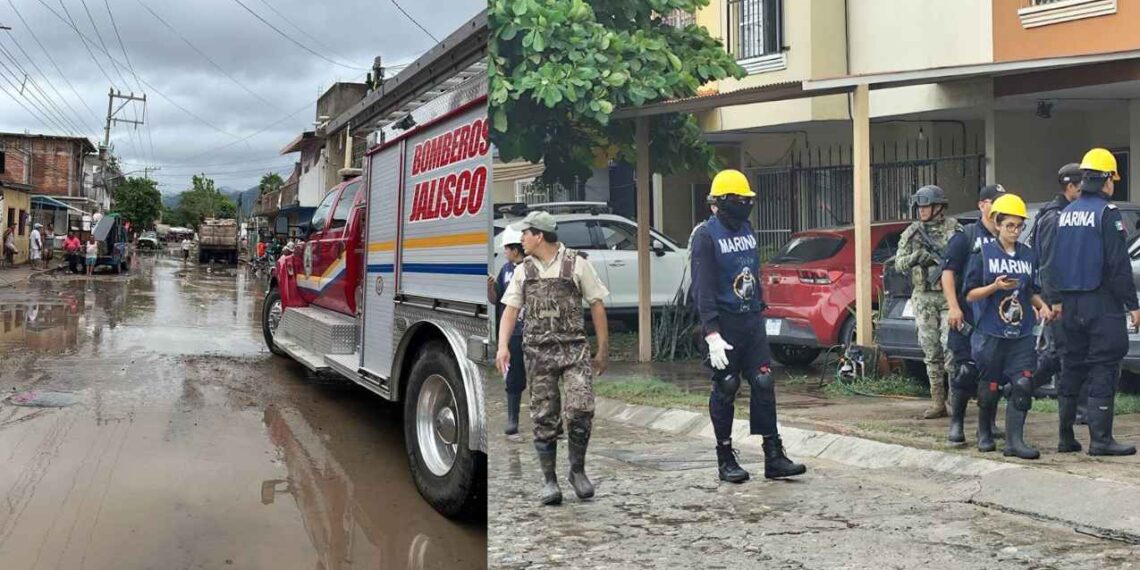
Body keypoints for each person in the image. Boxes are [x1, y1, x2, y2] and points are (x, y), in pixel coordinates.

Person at [690, 169, 806, 484]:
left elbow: (752, 272)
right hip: (724, 323)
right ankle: (725, 456)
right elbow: (703, 287)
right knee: (726, 386)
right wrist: (711, 333)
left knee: (764, 382)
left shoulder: (747, 228)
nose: (745, 204)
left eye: (747, 199)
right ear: (723, 201)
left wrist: (760, 307)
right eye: (739, 199)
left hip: (751, 320)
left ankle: (774, 455)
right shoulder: (706, 235)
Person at [496, 210, 610, 505]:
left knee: (581, 409)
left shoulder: (576, 263)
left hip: (574, 351)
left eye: (525, 233)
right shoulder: (523, 270)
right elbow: (510, 310)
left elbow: (596, 304)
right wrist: (503, 346)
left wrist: (602, 348)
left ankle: (577, 470)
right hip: (538, 353)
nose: (521, 239)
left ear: (539, 235)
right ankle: (549, 480)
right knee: (544, 415)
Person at [1052, 148, 1138, 456]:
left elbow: (1053, 260)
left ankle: (1065, 437)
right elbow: (1118, 265)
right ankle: (1101, 440)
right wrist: (1133, 304)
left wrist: (1055, 299)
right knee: (1104, 366)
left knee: (1072, 367)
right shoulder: (1107, 213)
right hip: (1100, 304)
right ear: (1106, 180)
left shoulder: (1066, 214)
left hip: (1069, 305)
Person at [963, 194, 1053, 458]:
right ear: (997, 224)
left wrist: (1042, 306)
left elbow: (1030, 291)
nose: (1014, 231)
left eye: (1019, 226)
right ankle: (984, 431)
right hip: (991, 330)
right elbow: (969, 294)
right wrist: (994, 287)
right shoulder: (983, 254)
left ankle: (1015, 442)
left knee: (1023, 383)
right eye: (1009, 225)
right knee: (990, 386)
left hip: (1021, 331)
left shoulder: (1028, 255)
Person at [941, 184, 1007, 444]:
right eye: (994, 201)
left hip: (996, 319)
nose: (998, 207)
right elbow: (948, 273)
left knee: (993, 373)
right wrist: (953, 306)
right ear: (982, 205)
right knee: (964, 371)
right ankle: (956, 424)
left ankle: (988, 425)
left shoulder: (1006, 238)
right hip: (967, 316)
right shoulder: (965, 236)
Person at [1030, 163, 1087, 434]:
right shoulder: (1055, 217)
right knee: (1061, 356)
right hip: (1057, 299)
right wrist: (1053, 301)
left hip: (1069, 298)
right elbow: (1049, 264)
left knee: (1065, 354)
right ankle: (1021, 388)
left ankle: (1078, 409)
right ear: (1071, 187)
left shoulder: (1070, 213)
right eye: (1082, 187)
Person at [895, 185, 961, 419]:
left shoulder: (955, 229)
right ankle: (937, 401)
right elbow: (898, 264)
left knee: (951, 349)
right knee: (931, 351)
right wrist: (916, 258)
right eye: (920, 206)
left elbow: (966, 257)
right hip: (924, 298)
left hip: (948, 298)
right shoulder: (913, 232)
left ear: (939, 207)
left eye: (926, 206)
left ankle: (956, 400)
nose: (921, 210)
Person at [488, 228, 528, 437]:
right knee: (513, 376)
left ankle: (551, 421)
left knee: (542, 376)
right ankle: (513, 419)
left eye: (506, 249)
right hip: (513, 333)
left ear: (515, 250)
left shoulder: (532, 268)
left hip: (533, 331)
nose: (504, 252)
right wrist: (490, 288)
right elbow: (496, 299)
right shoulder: (505, 270)